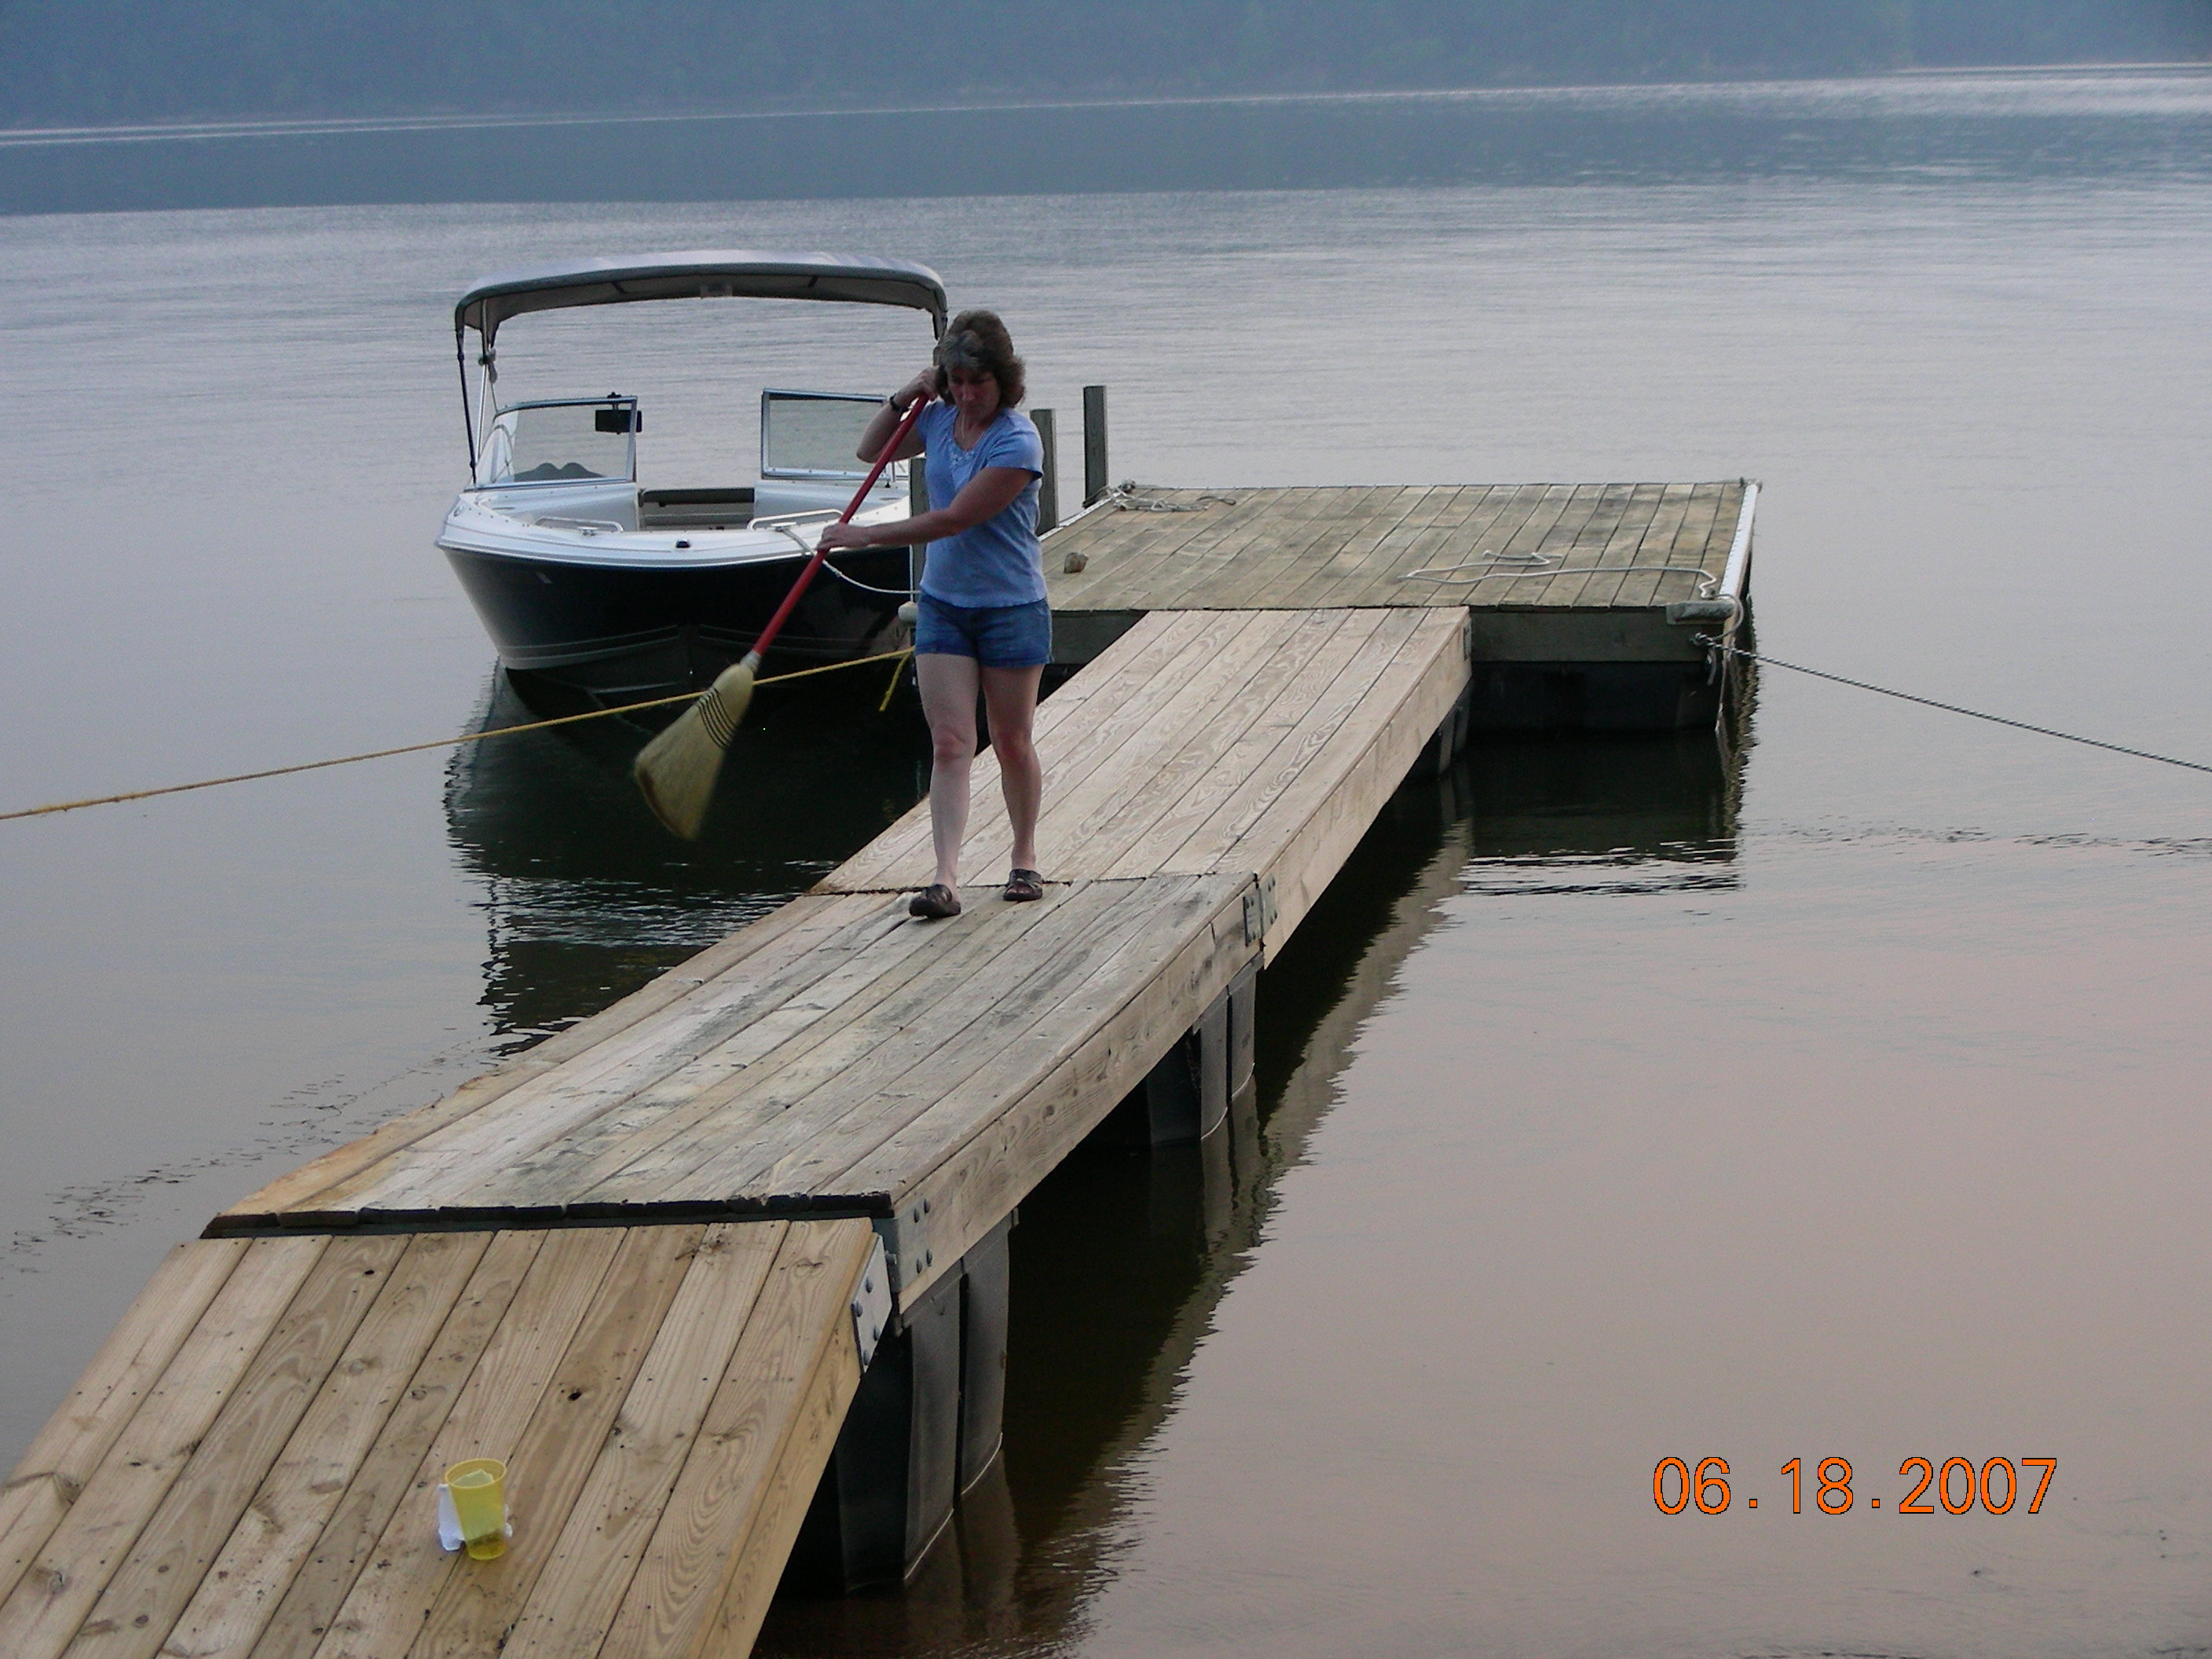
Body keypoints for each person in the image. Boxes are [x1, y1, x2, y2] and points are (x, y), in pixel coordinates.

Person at [816, 310, 1047, 921]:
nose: (968, 395)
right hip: (945, 603)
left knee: (1012, 742)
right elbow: (870, 449)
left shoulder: (1017, 441)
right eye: (958, 381)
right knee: (949, 743)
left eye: (979, 383)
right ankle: (945, 879)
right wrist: (907, 396)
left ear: (1004, 381)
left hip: (1011, 606)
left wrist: (865, 537)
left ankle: (1023, 858)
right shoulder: (939, 417)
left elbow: (954, 519)